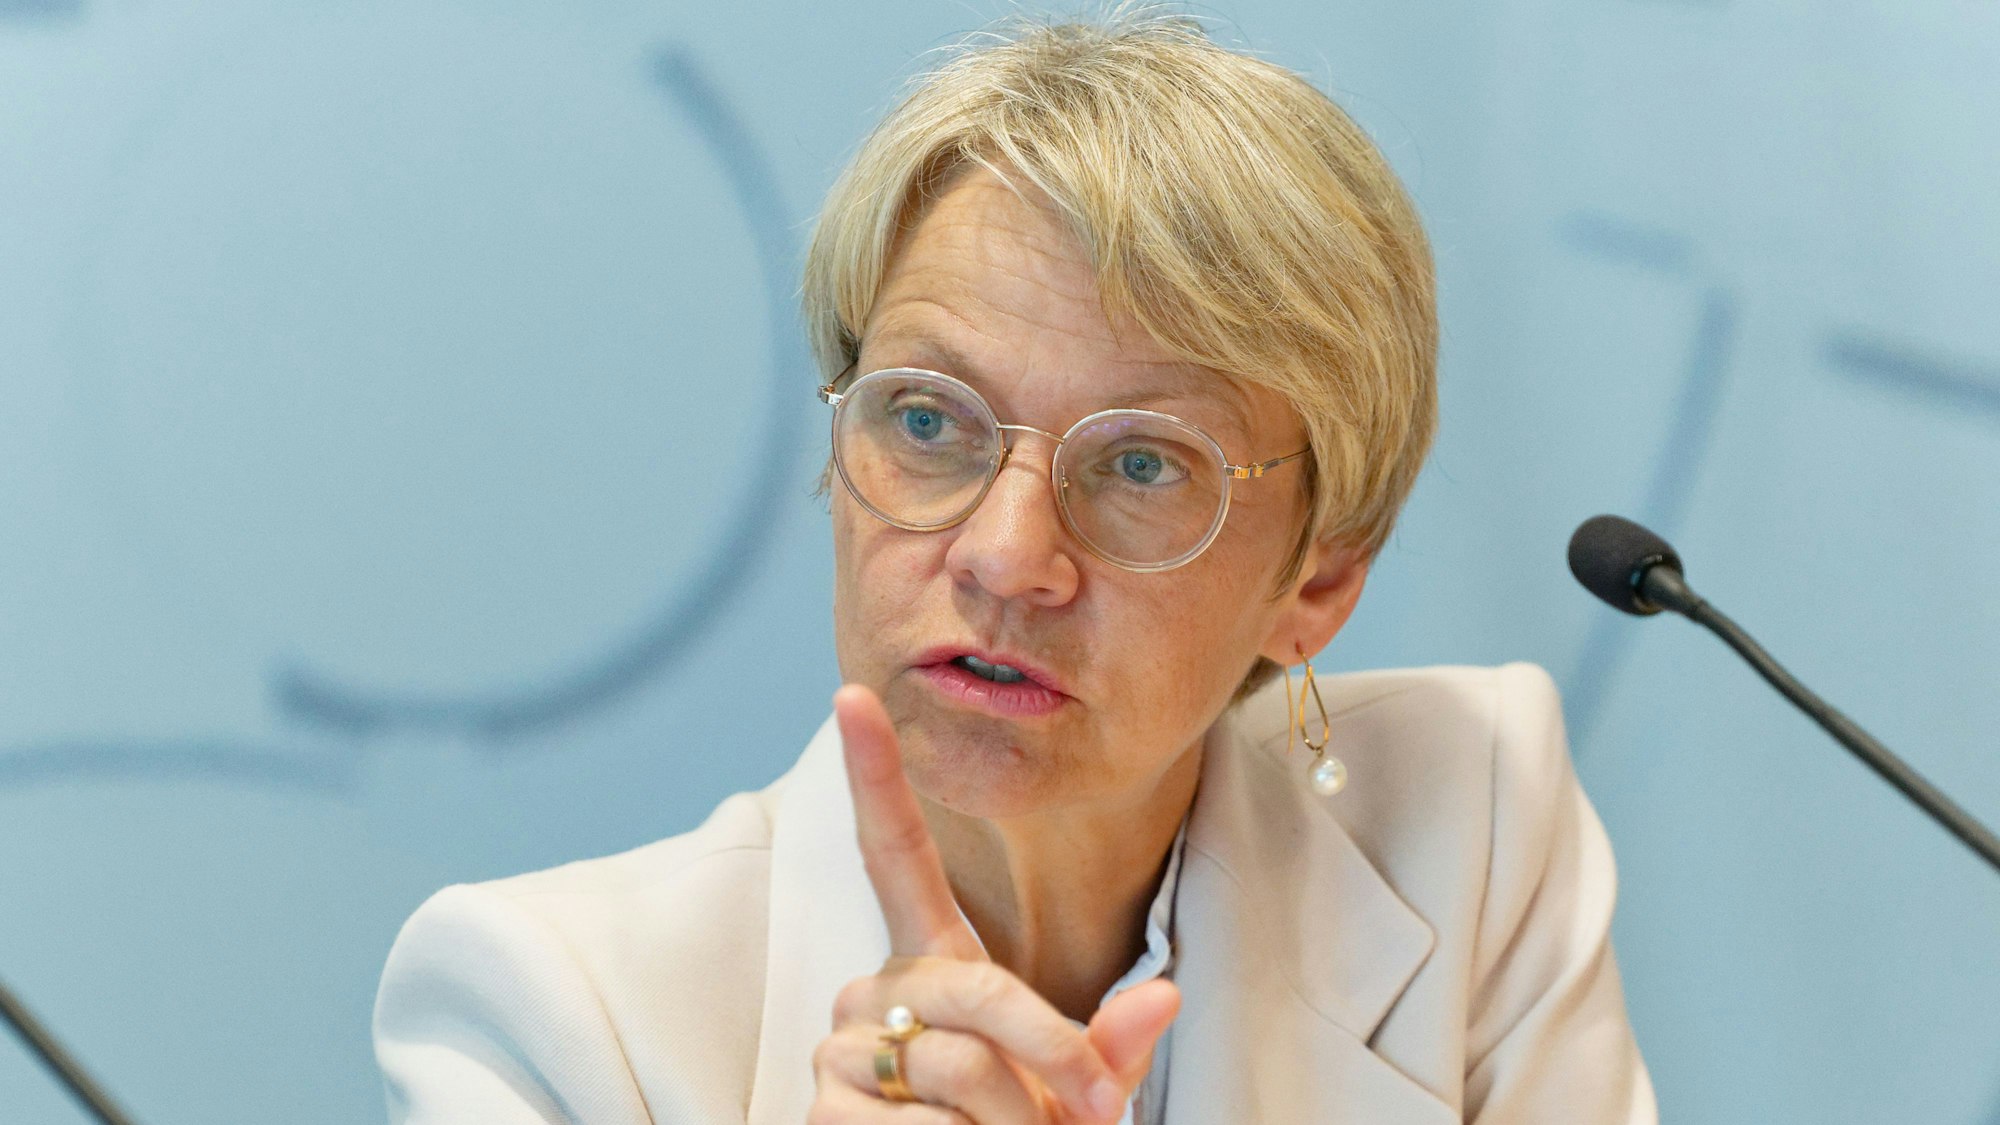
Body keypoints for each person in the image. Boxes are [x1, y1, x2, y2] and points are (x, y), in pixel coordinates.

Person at [373, 13, 1656, 1123]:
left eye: (1144, 464)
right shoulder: (549, 1013)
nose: (1003, 557)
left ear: (1317, 580)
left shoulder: (1467, 822)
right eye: (927, 421)